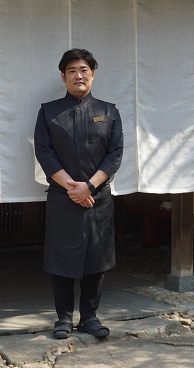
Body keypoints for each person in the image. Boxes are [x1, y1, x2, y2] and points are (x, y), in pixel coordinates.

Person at [34, 48, 123, 339]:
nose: (78, 75)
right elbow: (44, 153)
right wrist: (73, 188)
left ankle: (89, 317)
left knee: (96, 259)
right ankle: (63, 319)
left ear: (93, 74)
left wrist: (89, 187)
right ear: (63, 77)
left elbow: (114, 155)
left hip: (98, 199)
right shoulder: (49, 112)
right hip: (63, 197)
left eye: (84, 70)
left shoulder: (109, 112)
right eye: (71, 70)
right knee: (61, 258)